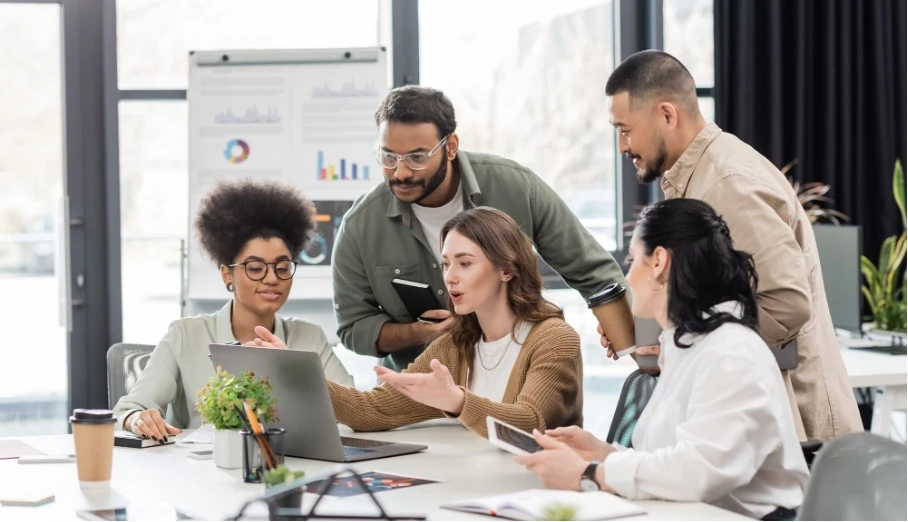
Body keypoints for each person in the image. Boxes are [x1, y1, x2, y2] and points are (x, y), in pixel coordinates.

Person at [600, 49, 862, 441]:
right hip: (753, 408)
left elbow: (785, 304)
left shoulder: (727, 183)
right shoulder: (697, 179)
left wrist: (681, 346)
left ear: (667, 115)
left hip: (792, 421)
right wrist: (653, 329)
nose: (623, 146)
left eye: (625, 129)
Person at [518, 199, 810, 521]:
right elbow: (667, 458)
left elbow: (699, 472)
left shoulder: (731, 353)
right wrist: (603, 453)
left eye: (632, 260)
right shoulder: (686, 348)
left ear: (658, 261)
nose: (628, 277)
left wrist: (591, 473)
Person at [331, 85, 631, 370]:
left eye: (417, 157)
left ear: (450, 147)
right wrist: (418, 333)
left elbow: (593, 270)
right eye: (389, 157)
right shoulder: (360, 226)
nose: (401, 172)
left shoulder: (516, 187)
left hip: (518, 375)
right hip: (424, 390)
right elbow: (353, 327)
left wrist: (633, 339)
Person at [257, 207, 583, 436]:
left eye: (465, 263)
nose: (450, 278)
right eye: (445, 264)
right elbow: (375, 410)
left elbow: (531, 423)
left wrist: (456, 401)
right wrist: (295, 370)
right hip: (479, 487)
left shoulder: (554, 339)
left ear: (507, 270)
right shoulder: (456, 346)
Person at [113, 180, 353, 441]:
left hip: (288, 468)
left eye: (282, 268)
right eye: (255, 267)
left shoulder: (310, 338)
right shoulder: (185, 335)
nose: (272, 278)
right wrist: (137, 418)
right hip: (199, 472)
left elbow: (354, 409)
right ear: (227, 273)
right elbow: (128, 410)